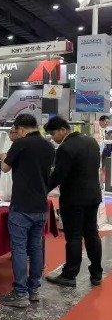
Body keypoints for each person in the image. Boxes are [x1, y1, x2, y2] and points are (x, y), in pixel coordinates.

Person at [0, 114, 55, 308]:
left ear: (20, 128)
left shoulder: (20, 144)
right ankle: (34, 290)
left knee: (19, 249)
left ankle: (20, 293)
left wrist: (6, 154)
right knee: (36, 248)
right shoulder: (49, 146)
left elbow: (4, 168)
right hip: (41, 205)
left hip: (22, 206)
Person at [44, 116, 103, 287]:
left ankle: (70, 274)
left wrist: (42, 190)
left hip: (74, 198)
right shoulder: (91, 141)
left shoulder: (66, 147)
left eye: (53, 133)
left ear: (63, 130)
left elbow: (58, 175)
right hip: (93, 195)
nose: (53, 138)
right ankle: (97, 273)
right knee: (92, 233)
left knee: (74, 236)